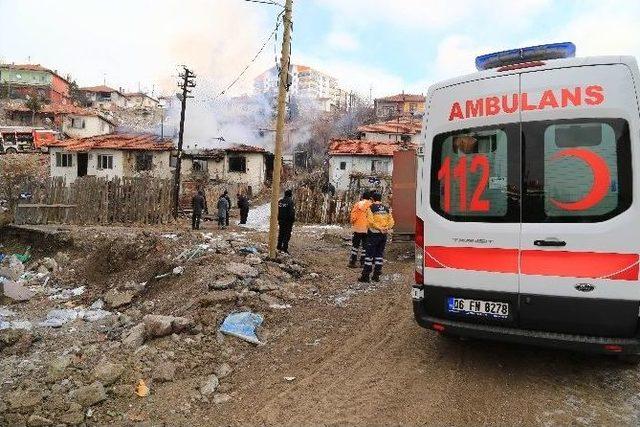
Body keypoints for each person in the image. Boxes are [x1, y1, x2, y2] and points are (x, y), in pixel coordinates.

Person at [359, 192, 394, 283]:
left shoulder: (371, 208)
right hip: (383, 235)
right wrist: (386, 228)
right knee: (379, 255)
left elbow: (370, 222)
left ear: (372, 199)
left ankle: (366, 276)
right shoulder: (386, 209)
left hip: (373, 234)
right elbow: (391, 222)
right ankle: (376, 275)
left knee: (369, 255)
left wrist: (379, 228)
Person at [348, 190, 372, 268]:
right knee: (365, 246)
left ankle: (352, 262)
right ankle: (363, 262)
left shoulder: (357, 204)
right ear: (369, 198)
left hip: (358, 228)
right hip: (367, 229)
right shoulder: (371, 205)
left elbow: (353, 217)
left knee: (355, 245)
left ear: (362, 197)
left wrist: (353, 222)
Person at [277, 189, 296, 253]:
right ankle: (285, 248)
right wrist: (292, 220)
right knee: (287, 235)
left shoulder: (280, 201)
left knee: (281, 233)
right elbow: (291, 213)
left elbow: (277, 211)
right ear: (290, 195)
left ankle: (279, 246)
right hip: (288, 222)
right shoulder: (290, 202)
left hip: (281, 221)